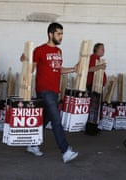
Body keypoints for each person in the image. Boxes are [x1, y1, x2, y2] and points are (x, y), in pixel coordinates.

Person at [20, 22, 79, 163]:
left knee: (45, 119)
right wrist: (26, 60)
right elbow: (31, 70)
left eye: (62, 34)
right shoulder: (39, 50)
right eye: (59, 34)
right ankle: (65, 151)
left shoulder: (59, 52)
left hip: (54, 91)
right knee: (56, 120)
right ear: (50, 34)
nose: (61, 37)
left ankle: (33, 144)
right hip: (44, 90)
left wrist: (73, 69)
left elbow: (58, 69)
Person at [85, 43, 107, 135]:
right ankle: (90, 129)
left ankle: (93, 127)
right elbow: (88, 69)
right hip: (93, 86)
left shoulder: (98, 59)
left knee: (96, 108)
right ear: (96, 49)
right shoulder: (93, 57)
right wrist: (100, 67)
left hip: (97, 86)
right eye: (101, 49)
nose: (103, 50)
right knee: (93, 108)